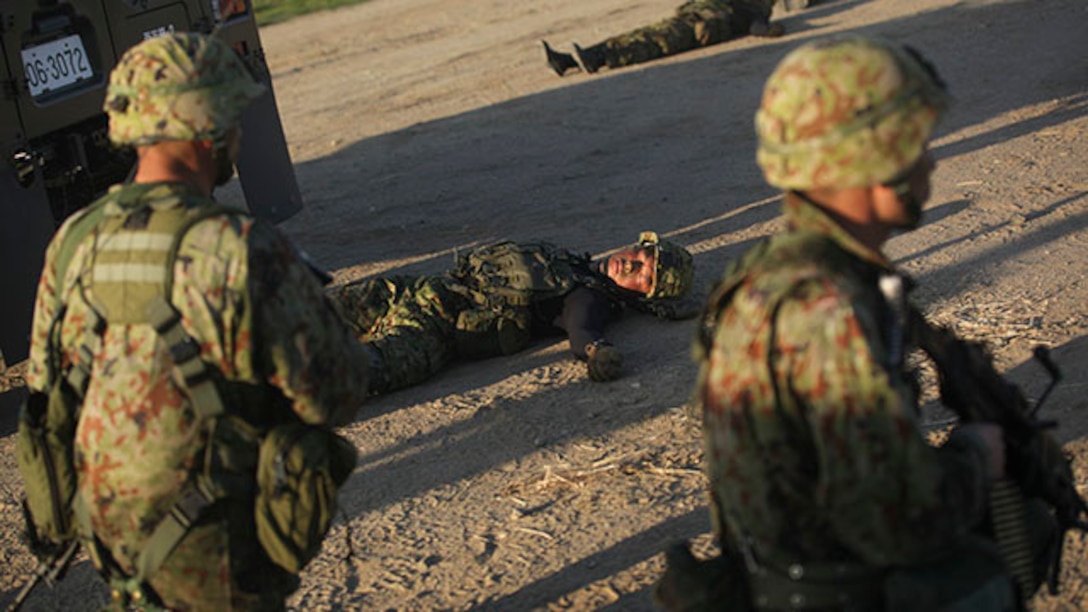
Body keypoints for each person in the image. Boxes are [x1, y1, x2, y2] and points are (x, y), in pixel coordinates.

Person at [690, 36, 1058, 610]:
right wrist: (974, 459)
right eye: (916, 143)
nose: (930, 160)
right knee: (1005, 550)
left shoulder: (781, 271)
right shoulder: (830, 309)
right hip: (823, 589)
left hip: (785, 565)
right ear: (873, 159)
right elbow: (895, 524)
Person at [18, 33, 371, 609]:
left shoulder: (74, 239)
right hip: (216, 544)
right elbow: (335, 393)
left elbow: (47, 389)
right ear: (208, 127)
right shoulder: (237, 249)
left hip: (111, 533)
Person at [328, 232, 696, 395]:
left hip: (440, 318)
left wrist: (597, 352)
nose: (631, 264)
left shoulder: (590, 298)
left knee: (364, 368)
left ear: (645, 297)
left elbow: (582, 330)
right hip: (430, 286)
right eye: (639, 255)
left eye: (644, 275)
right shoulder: (575, 266)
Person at [542, 0, 783, 77]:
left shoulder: (749, 10)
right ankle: (574, 59)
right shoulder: (748, 9)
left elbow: (759, 29)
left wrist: (773, 29)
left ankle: (588, 58)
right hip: (686, 24)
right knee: (640, 39)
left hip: (689, 30)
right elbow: (761, 28)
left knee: (643, 43)